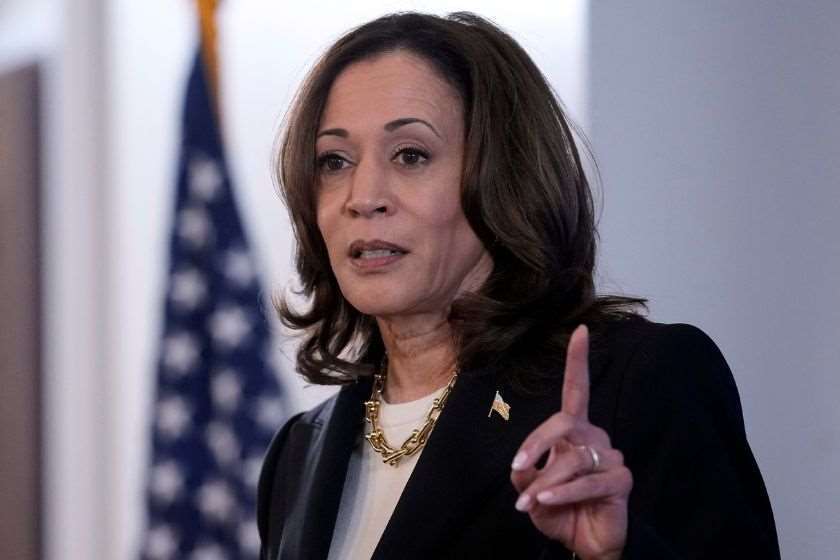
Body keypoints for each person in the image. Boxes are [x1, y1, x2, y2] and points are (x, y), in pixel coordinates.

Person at [257, 11, 780, 560]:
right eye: (334, 161)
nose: (363, 197)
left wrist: (615, 555)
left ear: (503, 176)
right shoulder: (299, 450)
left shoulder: (639, 382)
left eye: (411, 155)